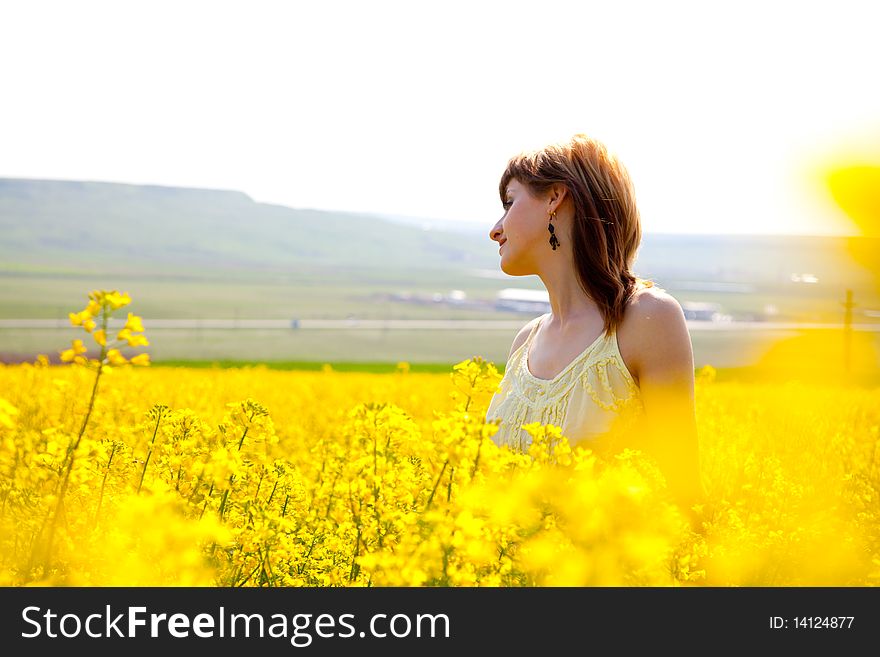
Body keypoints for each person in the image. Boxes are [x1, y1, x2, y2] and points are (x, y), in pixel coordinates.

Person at [485, 133, 704, 519]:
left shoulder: (648, 319)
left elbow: (684, 493)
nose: (496, 229)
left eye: (509, 202)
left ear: (555, 197)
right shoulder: (525, 342)